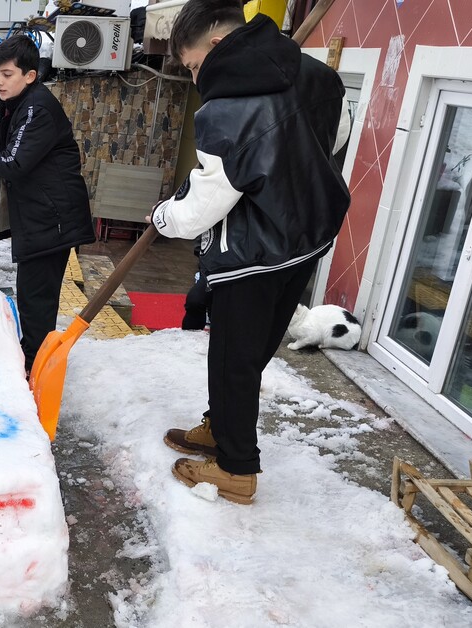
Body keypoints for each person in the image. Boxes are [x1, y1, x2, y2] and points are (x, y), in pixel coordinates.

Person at [149, 0, 350, 504]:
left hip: (254, 252)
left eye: (194, 66)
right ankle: (222, 427)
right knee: (252, 350)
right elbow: (336, 138)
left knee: (233, 357)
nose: (196, 80)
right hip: (306, 240)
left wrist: (163, 216)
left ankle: (237, 469)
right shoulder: (316, 75)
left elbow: (203, 207)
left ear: (217, 45)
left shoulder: (228, 108)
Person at [0, 34, 95, 373]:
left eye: (7, 74)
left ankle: (34, 370)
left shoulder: (38, 108)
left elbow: (13, 162)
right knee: (30, 295)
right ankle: (33, 359)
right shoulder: (17, 106)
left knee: (36, 299)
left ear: (29, 75)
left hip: (52, 218)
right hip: (39, 216)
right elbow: (6, 150)